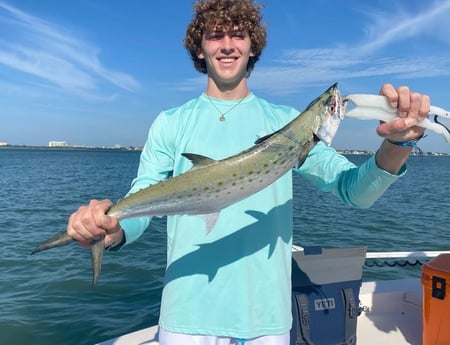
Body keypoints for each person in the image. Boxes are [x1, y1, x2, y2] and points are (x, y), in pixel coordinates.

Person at [66, 0, 430, 344]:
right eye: (215, 35)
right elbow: (143, 198)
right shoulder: (170, 123)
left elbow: (355, 191)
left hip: (266, 320)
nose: (227, 45)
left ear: (252, 46)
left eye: (237, 34)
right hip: (186, 317)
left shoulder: (288, 123)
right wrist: (111, 229)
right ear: (199, 48)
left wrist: (398, 145)